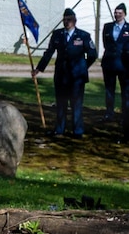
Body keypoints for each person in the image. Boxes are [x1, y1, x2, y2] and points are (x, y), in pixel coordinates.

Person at [35, 8, 96, 137]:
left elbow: (92, 54)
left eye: (69, 20)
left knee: (76, 105)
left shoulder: (83, 35)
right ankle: (59, 129)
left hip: (77, 77)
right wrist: (39, 68)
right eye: (65, 20)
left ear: (75, 20)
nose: (67, 22)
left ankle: (77, 131)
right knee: (61, 104)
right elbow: (49, 52)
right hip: (61, 75)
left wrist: (83, 67)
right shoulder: (57, 35)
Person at [100, 3, 129, 118]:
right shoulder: (107, 27)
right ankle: (109, 112)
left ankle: (126, 112)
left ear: (124, 14)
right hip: (109, 63)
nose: (117, 15)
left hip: (124, 64)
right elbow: (106, 43)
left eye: (120, 13)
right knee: (109, 89)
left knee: (125, 89)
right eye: (116, 12)